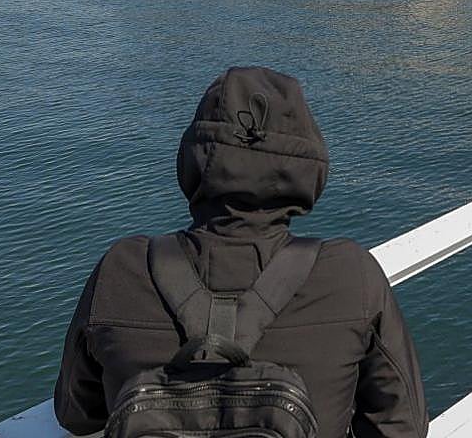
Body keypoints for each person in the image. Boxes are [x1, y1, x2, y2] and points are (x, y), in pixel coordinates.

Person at [54, 66, 428, 438]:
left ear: (192, 159)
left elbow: (76, 415)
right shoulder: (350, 274)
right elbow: (404, 426)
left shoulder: (122, 270)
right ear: (308, 167)